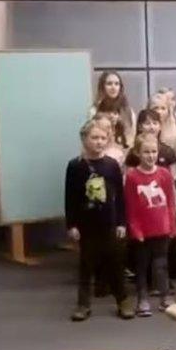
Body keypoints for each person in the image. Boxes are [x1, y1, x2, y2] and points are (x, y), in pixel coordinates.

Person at [65, 119, 134, 321]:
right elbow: (70, 197)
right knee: (86, 266)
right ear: (84, 139)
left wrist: (121, 222)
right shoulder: (75, 166)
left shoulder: (111, 165)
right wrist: (72, 224)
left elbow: (120, 196)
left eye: (103, 138)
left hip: (109, 223)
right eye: (94, 137)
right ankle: (83, 304)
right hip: (87, 225)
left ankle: (123, 300)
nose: (99, 142)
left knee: (115, 264)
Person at [124, 136, 176, 316]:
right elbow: (130, 206)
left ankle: (165, 296)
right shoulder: (132, 177)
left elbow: (170, 202)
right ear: (138, 153)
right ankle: (142, 299)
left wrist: (172, 225)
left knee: (161, 265)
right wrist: (135, 229)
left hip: (161, 229)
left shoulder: (165, 174)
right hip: (142, 231)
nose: (150, 155)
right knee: (142, 266)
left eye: (154, 151)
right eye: (146, 152)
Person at [91, 71, 136, 149]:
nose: (113, 87)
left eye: (116, 84)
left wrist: (120, 120)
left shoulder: (128, 111)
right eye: (109, 84)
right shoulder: (94, 110)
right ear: (102, 87)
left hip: (124, 153)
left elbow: (132, 137)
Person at [134, 108, 176, 178]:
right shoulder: (133, 153)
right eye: (147, 123)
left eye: (155, 123)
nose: (152, 127)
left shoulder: (168, 152)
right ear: (140, 127)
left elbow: (174, 178)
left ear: (160, 126)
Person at [148, 93, 176, 166]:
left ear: (168, 111)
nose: (159, 112)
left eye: (163, 108)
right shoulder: (143, 129)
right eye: (155, 108)